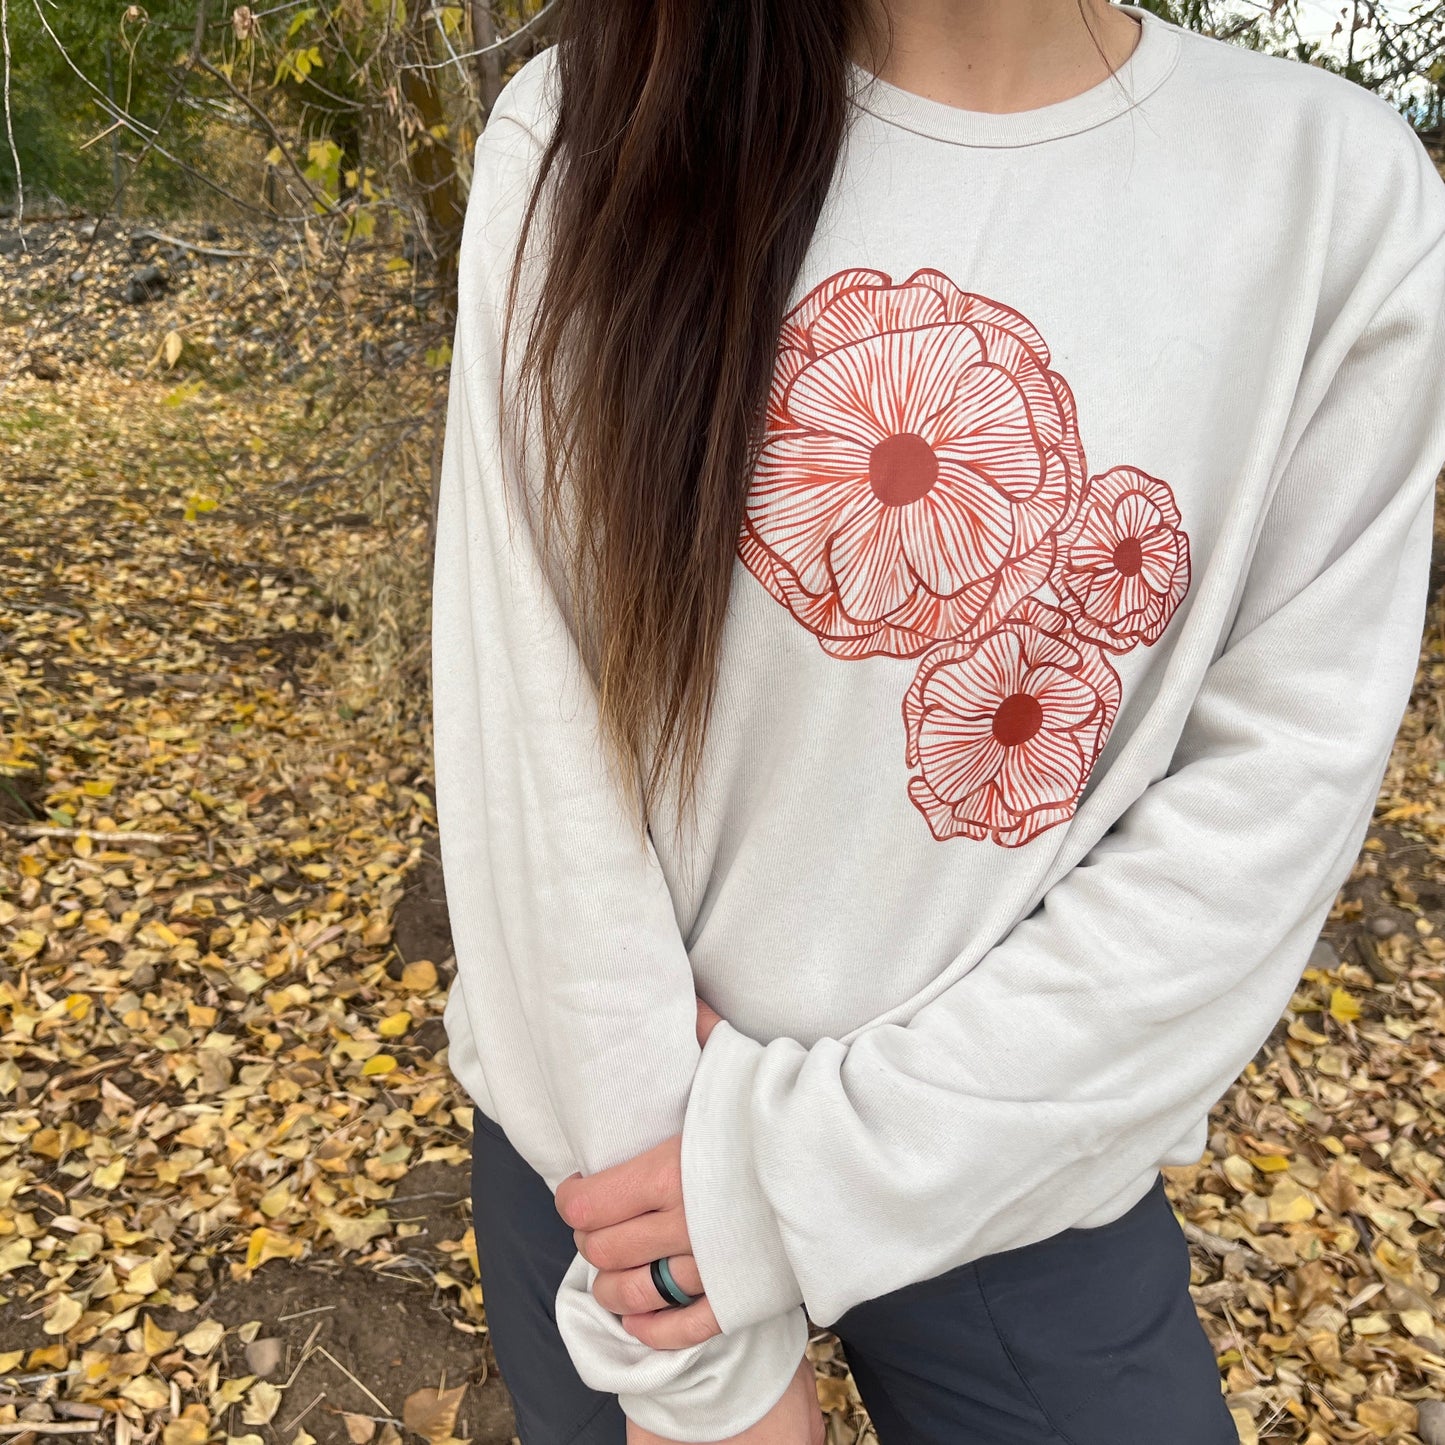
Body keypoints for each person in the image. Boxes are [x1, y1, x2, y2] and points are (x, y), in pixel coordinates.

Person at [429, 0, 1445, 1439]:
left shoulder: (1331, 199)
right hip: (611, 1162)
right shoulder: (590, 132)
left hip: (1012, 1167)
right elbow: (533, 753)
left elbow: (1266, 806)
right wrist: (692, 1355)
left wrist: (790, 1180)